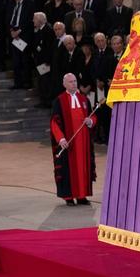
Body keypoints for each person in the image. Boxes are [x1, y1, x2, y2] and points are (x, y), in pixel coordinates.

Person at [50, 73, 96, 206]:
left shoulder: (84, 99)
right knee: (68, 169)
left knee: (83, 168)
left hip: (83, 143)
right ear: (64, 84)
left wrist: (90, 121)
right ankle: (69, 196)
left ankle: (82, 196)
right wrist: (61, 139)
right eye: (70, 82)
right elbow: (54, 122)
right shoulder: (60, 101)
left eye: (75, 81)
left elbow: (93, 116)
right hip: (68, 144)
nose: (74, 84)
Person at [6, 0, 35, 89]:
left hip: (24, 34)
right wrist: (11, 31)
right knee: (16, 60)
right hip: (13, 35)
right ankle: (17, 83)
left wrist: (19, 31)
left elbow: (30, 20)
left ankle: (27, 82)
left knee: (25, 59)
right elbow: (8, 18)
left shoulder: (29, 2)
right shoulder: (10, 3)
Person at [32, 12, 55, 108]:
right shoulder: (40, 30)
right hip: (40, 62)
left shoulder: (48, 30)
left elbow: (49, 47)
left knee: (45, 82)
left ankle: (47, 101)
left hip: (45, 62)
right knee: (41, 81)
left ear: (40, 20)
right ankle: (43, 100)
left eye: (34, 19)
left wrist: (47, 61)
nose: (33, 20)